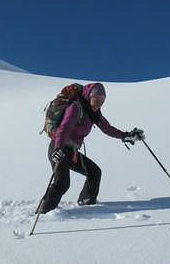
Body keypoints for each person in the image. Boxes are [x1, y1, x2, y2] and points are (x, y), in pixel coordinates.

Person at [38, 82, 144, 214]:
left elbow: (108, 129)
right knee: (62, 181)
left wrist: (126, 136)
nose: (98, 104)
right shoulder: (76, 107)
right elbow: (63, 128)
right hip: (59, 147)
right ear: (89, 97)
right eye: (96, 100)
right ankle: (43, 213)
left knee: (94, 172)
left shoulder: (94, 114)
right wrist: (58, 148)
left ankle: (86, 207)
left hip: (72, 152)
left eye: (102, 102)